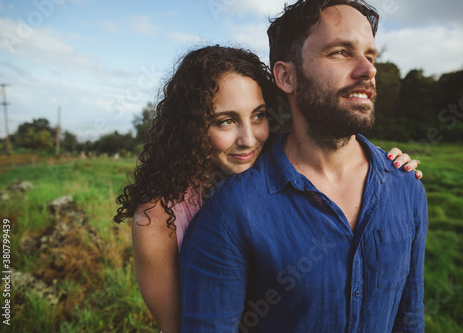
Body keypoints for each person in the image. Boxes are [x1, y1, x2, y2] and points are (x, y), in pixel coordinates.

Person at [114, 45, 422, 332]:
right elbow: (181, 326)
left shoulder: (275, 167)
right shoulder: (157, 217)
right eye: (226, 121)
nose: (249, 139)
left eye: (258, 116)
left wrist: (383, 165)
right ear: (192, 127)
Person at [179, 1, 428, 332]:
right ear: (286, 76)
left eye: (370, 55)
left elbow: (409, 316)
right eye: (340, 52)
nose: (368, 70)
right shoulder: (230, 212)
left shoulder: (407, 186)